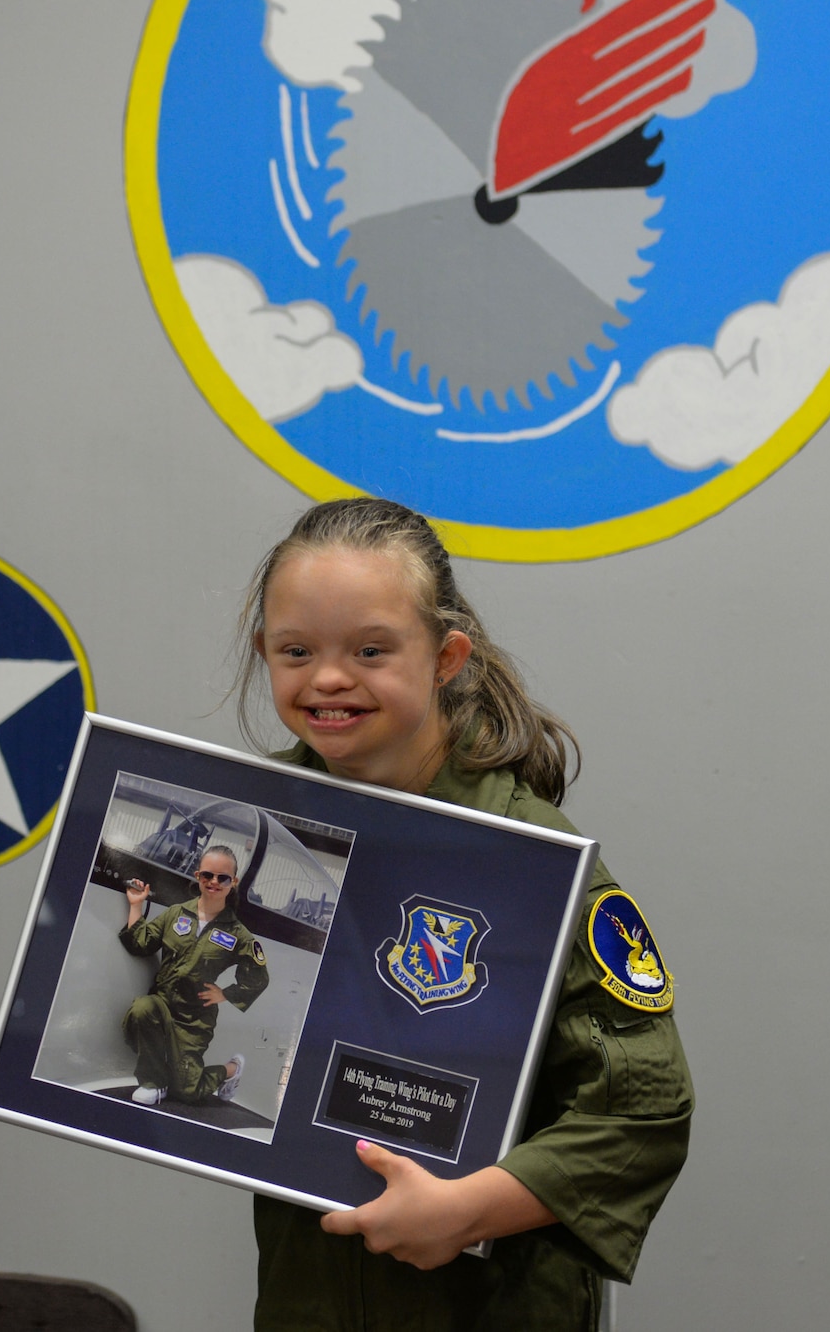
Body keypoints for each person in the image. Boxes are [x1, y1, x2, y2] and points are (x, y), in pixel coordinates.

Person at [232, 498, 692, 1330]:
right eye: (296, 651)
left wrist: (466, 1211)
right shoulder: (254, 821)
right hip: (309, 1290)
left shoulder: (530, 860)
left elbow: (643, 1110)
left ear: (446, 657)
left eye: (372, 650)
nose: (328, 678)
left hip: (491, 1302)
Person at [119, 845, 270, 1105]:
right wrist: (136, 905)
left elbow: (258, 977)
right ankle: (154, 1084)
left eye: (222, 878)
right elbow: (141, 943)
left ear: (233, 883)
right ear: (198, 876)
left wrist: (226, 994)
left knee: (188, 1092)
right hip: (162, 1004)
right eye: (207, 876)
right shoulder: (176, 914)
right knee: (141, 1009)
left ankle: (231, 1070)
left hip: (194, 1020)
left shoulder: (238, 934)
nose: (214, 882)